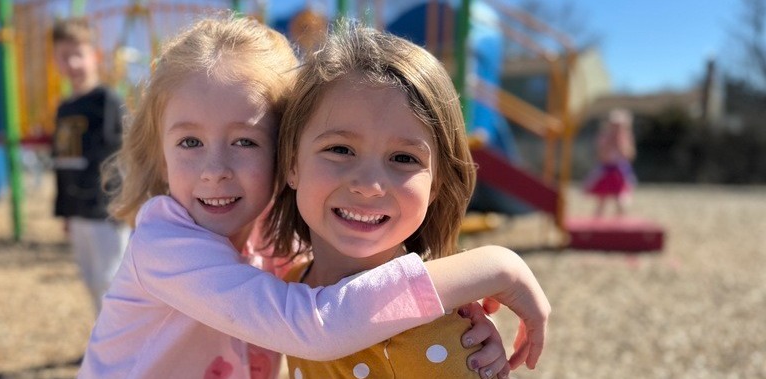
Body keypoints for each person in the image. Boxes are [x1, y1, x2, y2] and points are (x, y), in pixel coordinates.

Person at [81, 16, 549, 379]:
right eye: (189, 142)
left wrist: (453, 312)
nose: (215, 170)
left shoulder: (271, 242)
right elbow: (315, 325)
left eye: (245, 141)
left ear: (287, 154)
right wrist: (492, 269)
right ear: (160, 154)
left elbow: (353, 290)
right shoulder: (163, 244)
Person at [265, 23, 521, 379]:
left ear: (436, 185)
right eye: (340, 149)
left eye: (404, 158)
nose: (369, 185)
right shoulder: (291, 283)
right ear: (292, 162)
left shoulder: (446, 340)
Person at [50, 18, 128, 314]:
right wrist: (65, 210)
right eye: (63, 56)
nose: (71, 62)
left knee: (112, 280)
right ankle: (104, 342)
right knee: (91, 278)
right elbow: (62, 161)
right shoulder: (64, 107)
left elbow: (117, 154)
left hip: (105, 207)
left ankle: (121, 348)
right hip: (78, 209)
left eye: (77, 54)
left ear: (94, 55)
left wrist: (124, 202)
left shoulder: (106, 101)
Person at [583, 108, 637, 217]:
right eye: (614, 125)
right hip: (606, 170)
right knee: (602, 199)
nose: (616, 128)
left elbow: (630, 155)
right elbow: (600, 155)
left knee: (620, 199)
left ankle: (621, 224)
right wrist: (609, 144)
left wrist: (621, 146)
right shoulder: (604, 137)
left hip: (619, 171)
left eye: (619, 126)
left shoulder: (626, 138)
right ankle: (597, 224)